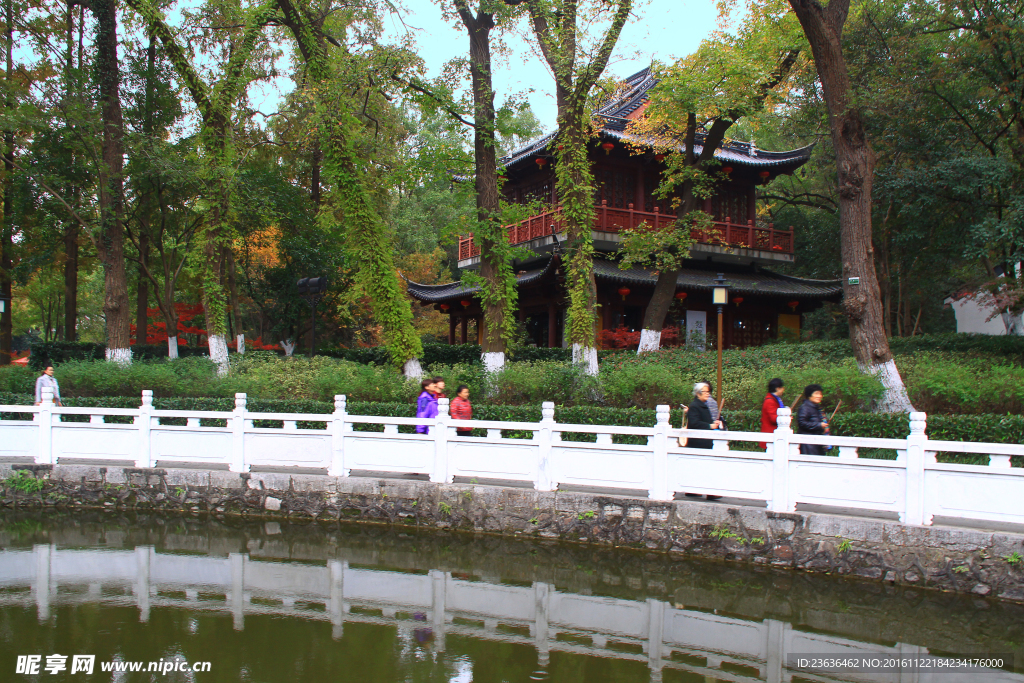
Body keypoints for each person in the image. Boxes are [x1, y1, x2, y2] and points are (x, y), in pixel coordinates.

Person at [797, 384, 829, 455]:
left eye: (820, 394)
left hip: (817, 442)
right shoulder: (805, 407)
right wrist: (819, 425)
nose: (819, 396)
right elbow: (802, 423)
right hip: (808, 444)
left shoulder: (817, 408)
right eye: (816, 393)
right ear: (809, 395)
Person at [759, 378, 785, 449]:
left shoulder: (775, 399)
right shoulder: (770, 401)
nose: (783, 390)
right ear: (777, 388)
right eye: (782, 388)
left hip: (774, 434)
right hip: (771, 434)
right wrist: (785, 419)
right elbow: (773, 418)